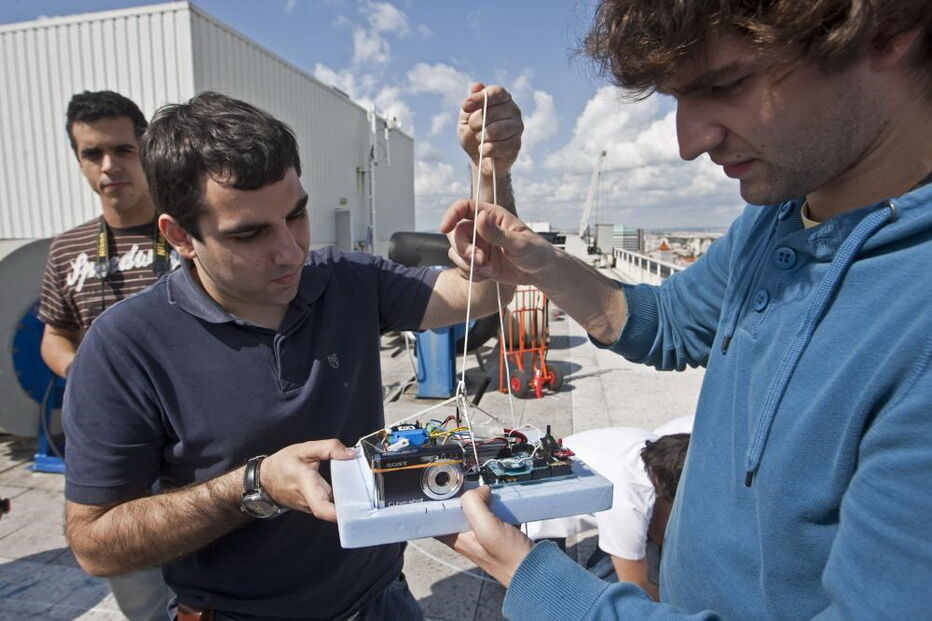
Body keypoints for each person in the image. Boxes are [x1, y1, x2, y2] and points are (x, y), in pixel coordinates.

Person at [439, 0, 932, 618]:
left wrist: (543, 587)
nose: (688, 142)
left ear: (887, 29)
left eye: (725, 84)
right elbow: (668, 324)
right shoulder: (779, 212)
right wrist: (541, 262)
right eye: (677, 100)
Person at [61, 87, 522, 620]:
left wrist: (492, 173)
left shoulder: (346, 279)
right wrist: (253, 488)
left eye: (296, 215)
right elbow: (94, 544)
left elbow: (483, 293)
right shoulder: (126, 345)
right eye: (250, 234)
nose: (290, 251)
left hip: (381, 601)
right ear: (180, 236)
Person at [38, 90, 174, 621]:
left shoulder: (189, 231)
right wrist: (84, 372)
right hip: (114, 454)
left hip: (194, 443)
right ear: (79, 161)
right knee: (141, 597)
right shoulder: (68, 249)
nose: (109, 166)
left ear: (145, 149)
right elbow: (55, 335)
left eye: (122, 149)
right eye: (92, 154)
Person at [526, 416, 692, 600]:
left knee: (633, 539)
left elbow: (659, 523)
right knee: (554, 598)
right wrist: (680, 604)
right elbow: (637, 586)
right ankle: (595, 594)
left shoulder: (653, 444)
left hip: (553, 479)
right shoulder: (628, 503)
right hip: (533, 518)